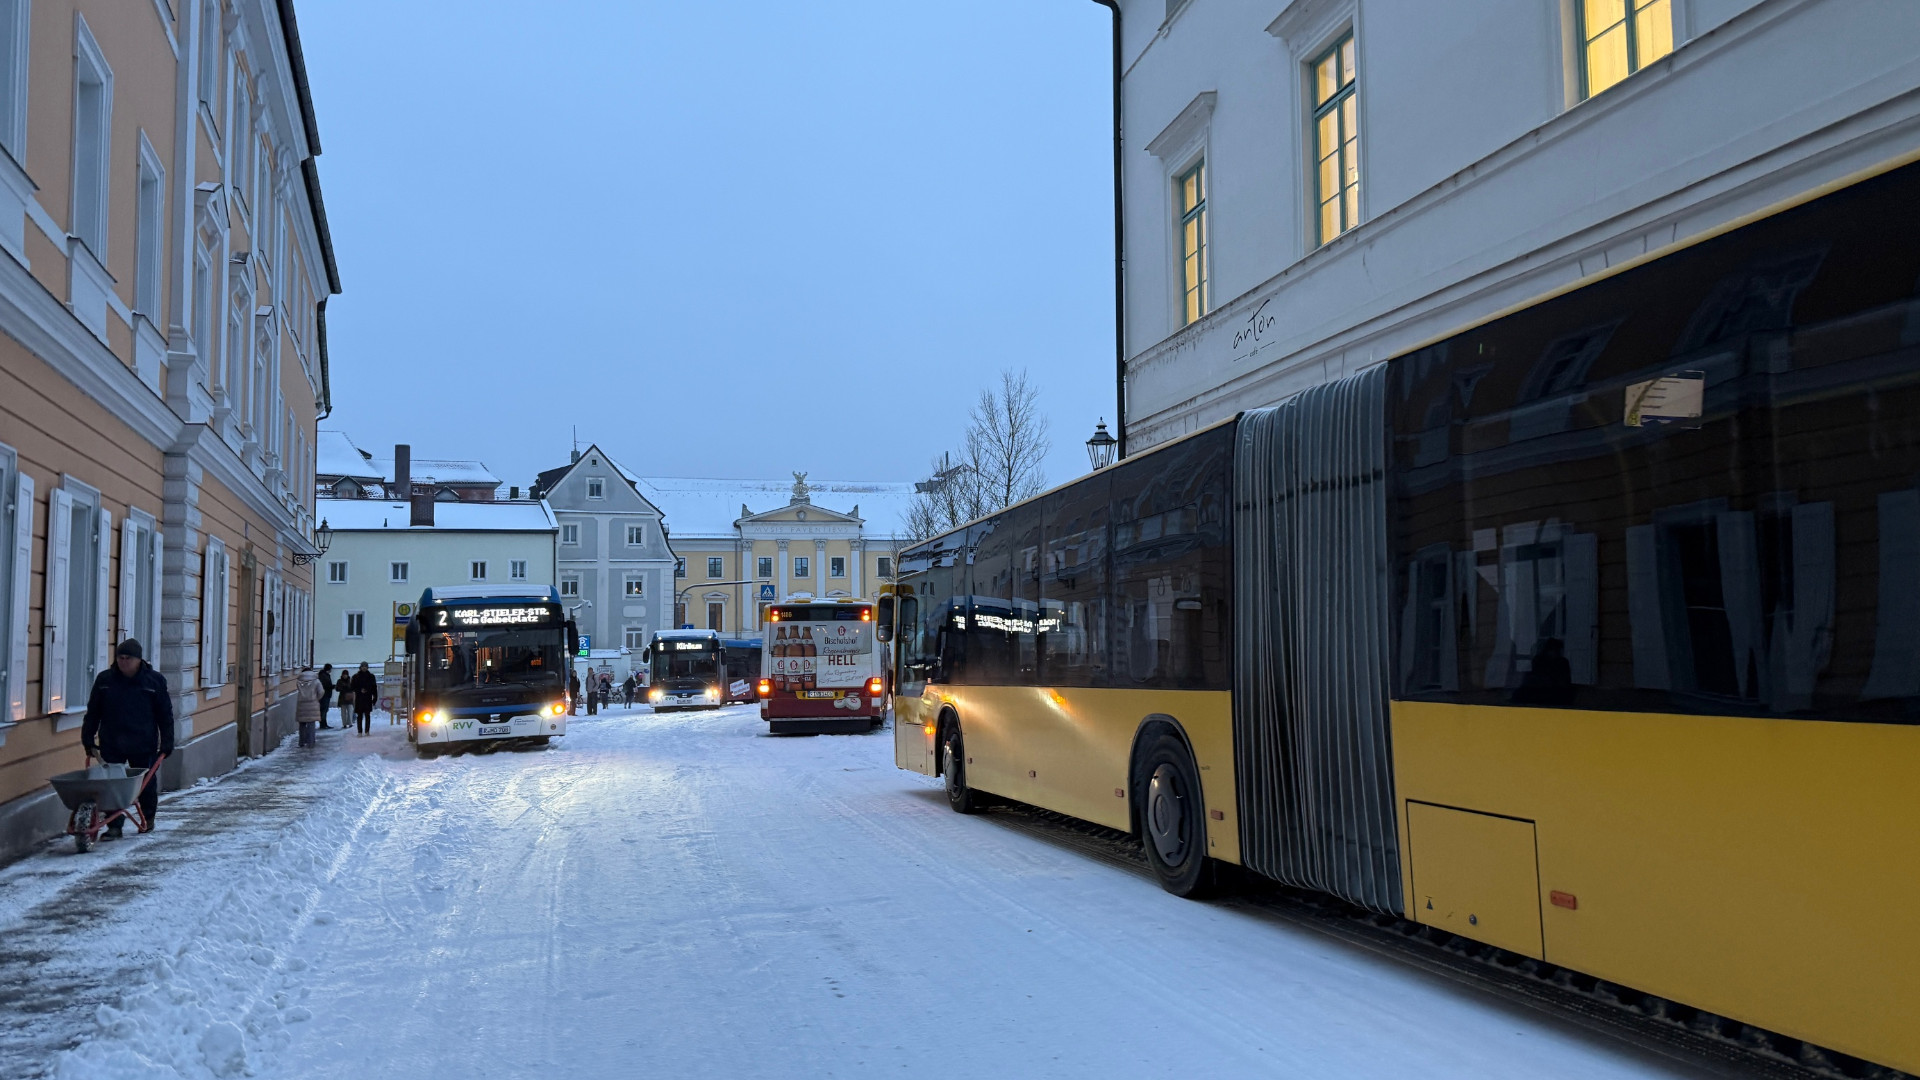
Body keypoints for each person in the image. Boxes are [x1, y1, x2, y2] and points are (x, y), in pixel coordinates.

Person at [79, 639, 174, 838]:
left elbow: (164, 714)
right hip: (112, 741)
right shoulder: (105, 681)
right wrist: (88, 738)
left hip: (143, 742)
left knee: (145, 783)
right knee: (113, 784)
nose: (123, 662)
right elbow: (93, 712)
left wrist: (167, 741)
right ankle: (114, 825)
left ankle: (148, 818)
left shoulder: (154, 682)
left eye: (128, 658)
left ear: (139, 660)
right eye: (120, 658)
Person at [349, 662, 379, 736]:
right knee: (359, 715)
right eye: (363, 666)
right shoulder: (355, 677)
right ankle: (359, 731)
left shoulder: (371, 676)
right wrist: (359, 690)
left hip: (368, 698)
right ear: (360, 667)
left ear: (367, 667)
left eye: (365, 666)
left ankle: (367, 731)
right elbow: (352, 687)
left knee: (367, 715)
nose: (364, 668)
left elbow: (374, 688)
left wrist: (375, 698)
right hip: (359, 698)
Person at [295, 667, 322, 748]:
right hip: (312, 704)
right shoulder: (316, 681)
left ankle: (301, 742)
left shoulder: (299, 681)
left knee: (302, 724)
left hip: (301, 704)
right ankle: (311, 742)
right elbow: (321, 691)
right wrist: (317, 698)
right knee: (311, 724)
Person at [316, 663, 336, 729]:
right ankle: (323, 724)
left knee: (324, 710)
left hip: (326, 694)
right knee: (324, 710)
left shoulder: (324, 675)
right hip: (325, 695)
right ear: (329, 669)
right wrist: (332, 686)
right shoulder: (323, 675)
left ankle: (324, 723)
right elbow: (325, 685)